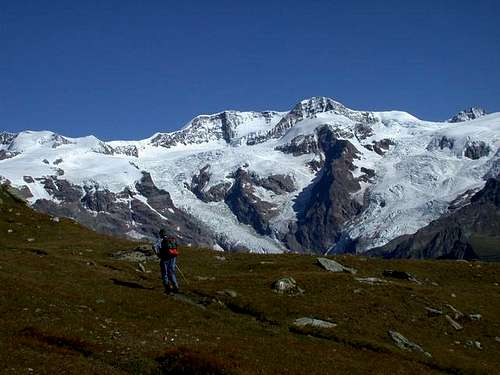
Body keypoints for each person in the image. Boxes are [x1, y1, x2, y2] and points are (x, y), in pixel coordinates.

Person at [153, 229, 179, 294]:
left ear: (161, 234)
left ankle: (168, 289)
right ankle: (176, 287)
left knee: (165, 273)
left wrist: (157, 254)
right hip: (173, 257)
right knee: (172, 272)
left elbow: (154, 246)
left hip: (165, 258)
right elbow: (176, 246)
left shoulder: (161, 240)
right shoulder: (171, 238)